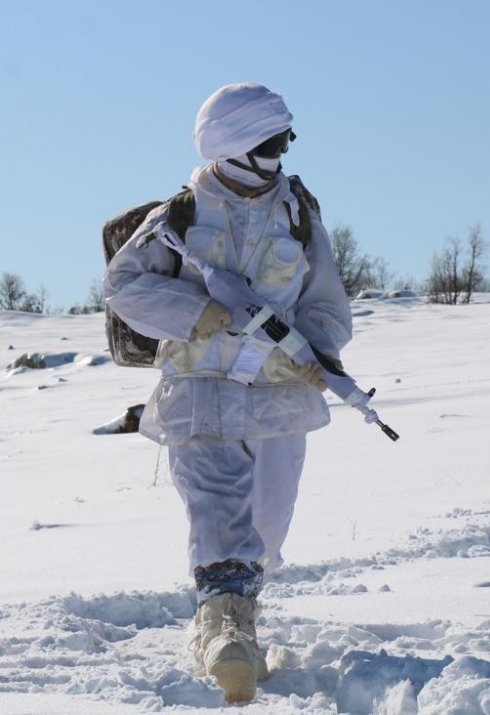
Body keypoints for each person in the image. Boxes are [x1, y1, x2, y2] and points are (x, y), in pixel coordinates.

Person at [103, 82, 352, 702]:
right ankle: (226, 632)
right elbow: (124, 286)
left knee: (265, 524)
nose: (281, 152)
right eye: (271, 141)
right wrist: (199, 314)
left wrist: (318, 355)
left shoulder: (298, 211)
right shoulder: (178, 216)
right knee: (218, 514)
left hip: (277, 394)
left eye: (284, 139)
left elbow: (324, 297)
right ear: (234, 146)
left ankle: (239, 609)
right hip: (200, 389)